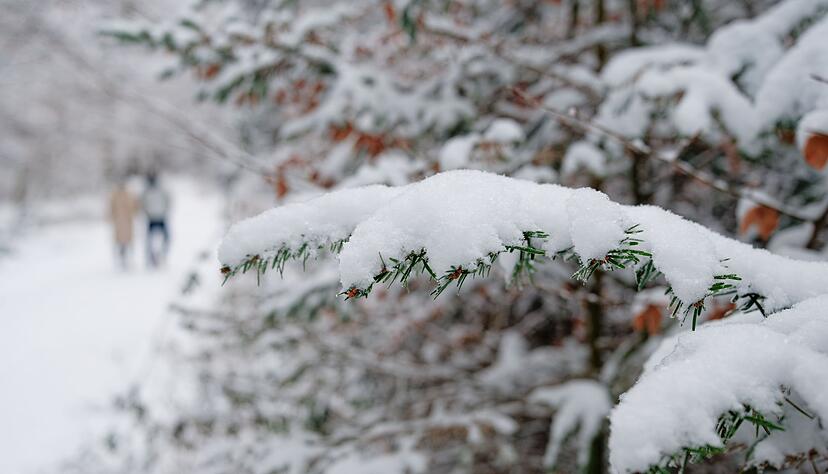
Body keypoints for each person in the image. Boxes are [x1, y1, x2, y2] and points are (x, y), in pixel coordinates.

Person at [141, 172, 171, 267]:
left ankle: (161, 255)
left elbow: (168, 201)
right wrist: (147, 213)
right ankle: (151, 257)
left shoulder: (162, 190)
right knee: (150, 240)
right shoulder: (146, 192)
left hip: (161, 217)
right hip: (151, 219)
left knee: (166, 238)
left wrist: (165, 211)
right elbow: (143, 204)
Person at [109, 178, 138, 268]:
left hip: (128, 222)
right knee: (120, 242)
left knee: (128, 241)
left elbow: (135, 207)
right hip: (119, 222)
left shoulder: (130, 195)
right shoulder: (114, 195)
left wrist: (133, 214)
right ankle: (122, 258)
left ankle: (128, 259)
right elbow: (111, 207)